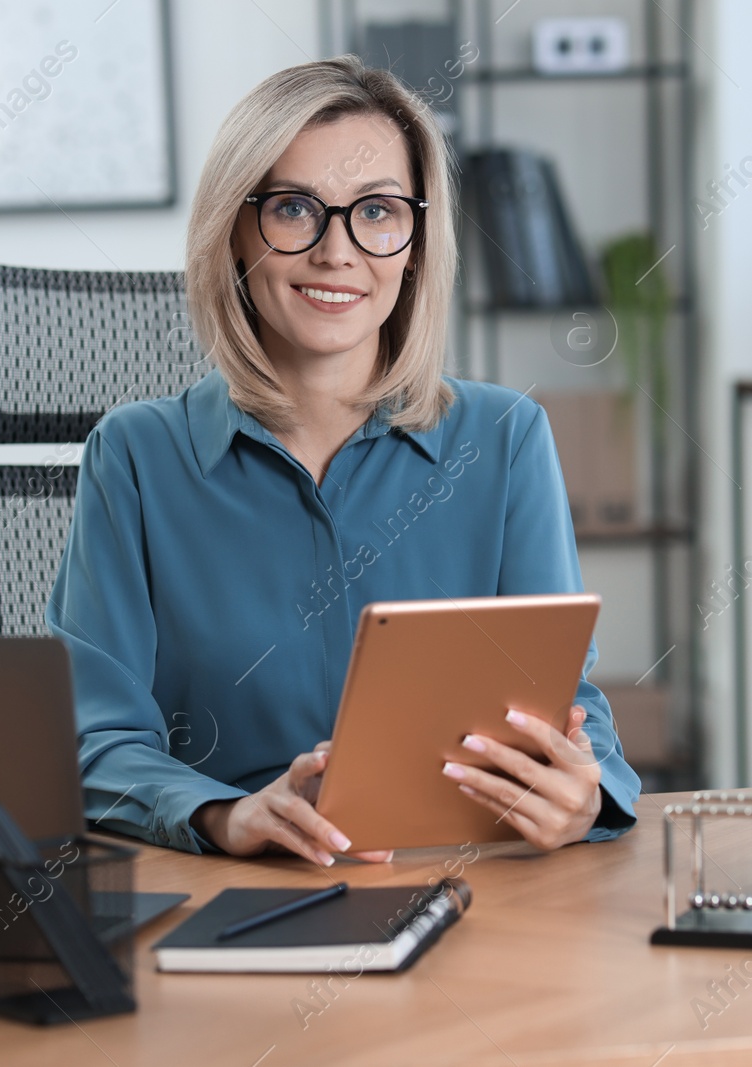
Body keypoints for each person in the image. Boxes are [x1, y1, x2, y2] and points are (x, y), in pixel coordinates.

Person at [45, 55, 639, 867]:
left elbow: (565, 704)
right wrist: (225, 813)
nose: (338, 251)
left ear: (416, 243)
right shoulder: (135, 457)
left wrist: (587, 790)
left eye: (378, 211)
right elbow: (94, 740)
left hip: (467, 888)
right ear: (236, 228)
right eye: (295, 209)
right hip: (230, 896)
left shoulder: (505, 438)